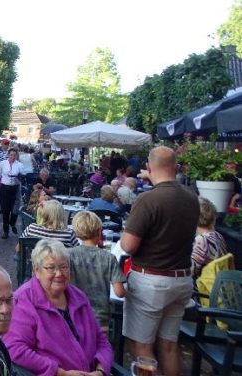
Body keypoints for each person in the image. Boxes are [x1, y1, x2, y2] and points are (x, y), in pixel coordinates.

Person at [120, 146, 199, 376]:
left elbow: (128, 245)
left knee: (142, 346)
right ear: (176, 168)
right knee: (169, 345)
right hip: (182, 279)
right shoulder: (192, 197)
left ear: (149, 167)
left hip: (151, 281)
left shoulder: (148, 199)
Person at [3, 239, 113, 376]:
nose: (59, 273)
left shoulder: (79, 297)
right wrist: (60, 372)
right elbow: (15, 349)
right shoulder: (24, 301)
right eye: (51, 267)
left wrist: (101, 371)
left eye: (64, 267)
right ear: (36, 270)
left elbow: (102, 341)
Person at [69, 211, 126, 331]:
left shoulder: (69, 255)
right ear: (99, 232)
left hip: (74, 314)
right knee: (100, 348)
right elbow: (120, 292)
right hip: (100, 318)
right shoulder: (108, 257)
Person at [191, 196, 229, 279]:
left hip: (204, 289)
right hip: (219, 285)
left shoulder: (202, 241)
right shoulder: (218, 235)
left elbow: (191, 271)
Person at [0, 147, 24, 239]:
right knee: (5, 210)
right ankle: (5, 231)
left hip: (15, 188)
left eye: (14, 155)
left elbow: (22, 177)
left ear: (17, 156)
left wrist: (19, 177)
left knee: (14, 210)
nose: (13, 157)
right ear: (8, 155)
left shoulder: (20, 165)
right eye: (11, 155)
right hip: (4, 188)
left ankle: (12, 223)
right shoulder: (3, 163)